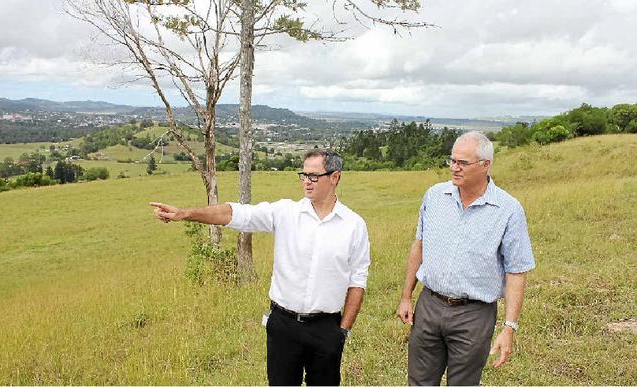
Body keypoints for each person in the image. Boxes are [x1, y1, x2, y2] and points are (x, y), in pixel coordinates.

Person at [150, 149, 370, 386]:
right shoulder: (286, 212)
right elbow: (237, 213)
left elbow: (358, 281)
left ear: (334, 177)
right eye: (303, 175)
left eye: (314, 176)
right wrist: (186, 213)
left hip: (326, 329)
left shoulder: (354, 226)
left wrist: (342, 332)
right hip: (283, 326)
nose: (306, 181)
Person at [396, 131, 535, 386]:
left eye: (463, 163)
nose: (455, 168)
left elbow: (516, 271)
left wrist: (509, 327)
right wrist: (407, 296)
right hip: (429, 305)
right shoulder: (434, 197)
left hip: (474, 315)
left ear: (485, 165)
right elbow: (420, 245)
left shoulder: (508, 210)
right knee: (418, 382)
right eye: (452, 160)